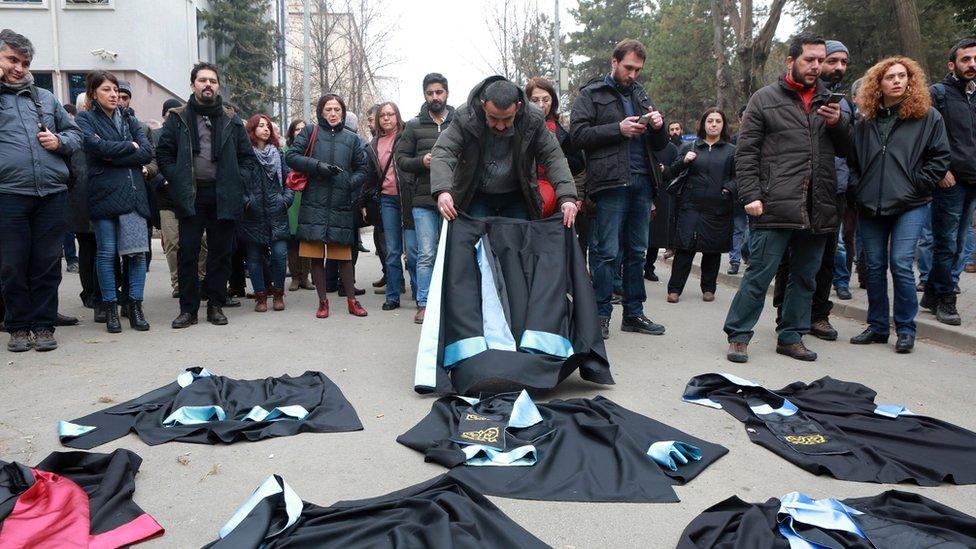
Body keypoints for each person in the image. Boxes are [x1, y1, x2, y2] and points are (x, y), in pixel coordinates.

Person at [722, 32, 849, 363]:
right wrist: (750, 194)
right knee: (760, 274)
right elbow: (745, 153)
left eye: (821, 60)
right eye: (810, 59)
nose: (817, 66)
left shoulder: (832, 101)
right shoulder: (764, 99)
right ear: (791, 61)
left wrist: (838, 125)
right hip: (773, 203)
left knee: (805, 277)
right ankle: (738, 334)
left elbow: (851, 150)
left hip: (818, 205)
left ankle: (791, 336)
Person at [848, 56, 950, 353]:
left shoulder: (927, 116)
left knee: (901, 264)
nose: (896, 80)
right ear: (877, 83)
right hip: (870, 204)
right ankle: (878, 326)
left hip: (910, 202)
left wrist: (918, 184)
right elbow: (853, 161)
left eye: (902, 76)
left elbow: (940, 157)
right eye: (889, 76)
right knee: (875, 266)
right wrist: (858, 187)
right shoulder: (864, 119)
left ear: (910, 80)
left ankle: (906, 329)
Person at [572, 38, 669, 339]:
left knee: (637, 253)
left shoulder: (640, 93)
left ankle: (634, 314)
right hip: (610, 183)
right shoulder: (591, 93)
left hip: (642, 181)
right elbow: (577, 136)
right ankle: (600, 316)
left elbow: (661, 145)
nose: (633, 75)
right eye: (628, 68)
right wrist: (618, 129)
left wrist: (659, 125)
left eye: (638, 69)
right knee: (606, 253)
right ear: (614, 62)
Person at [156, 62, 257, 328]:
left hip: (224, 195)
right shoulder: (178, 117)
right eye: (202, 80)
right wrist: (176, 177)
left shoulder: (231, 119)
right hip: (191, 194)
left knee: (220, 254)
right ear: (193, 85)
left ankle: (215, 305)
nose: (208, 85)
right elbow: (163, 153)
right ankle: (188, 310)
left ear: (218, 86)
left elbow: (247, 157)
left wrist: (238, 180)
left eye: (212, 80)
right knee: (187, 252)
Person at [0, 29, 82, 352]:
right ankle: (18, 326)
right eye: (12, 60)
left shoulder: (45, 98)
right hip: (8, 193)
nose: (19, 68)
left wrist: (59, 141)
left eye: (25, 62)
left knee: (48, 263)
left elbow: (76, 135)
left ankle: (44, 325)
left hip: (50, 193)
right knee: (12, 264)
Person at [772, 39, 854, 341]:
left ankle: (818, 315)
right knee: (788, 258)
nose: (836, 68)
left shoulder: (843, 103)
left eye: (843, 62)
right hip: (796, 190)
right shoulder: (795, 97)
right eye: (831, 61)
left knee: (827, 258)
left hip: (834, 192)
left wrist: (838, 124)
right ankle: (787, 313)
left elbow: (850, 148)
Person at [432, 76, 578, 225]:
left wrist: (567, 197)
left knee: (520, 244)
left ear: (518, 107)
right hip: (477, 195)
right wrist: (443, 190)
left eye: (508, 119)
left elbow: (553, 157)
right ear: (483, 106)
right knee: (477, 243)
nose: (500, 126)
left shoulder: (533, 118)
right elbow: (443, 152)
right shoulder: (465, 116)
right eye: (494, 118)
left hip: (517, 195)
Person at [76, 70, 154, 333]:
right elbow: (94, 148)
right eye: (106, 90)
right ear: (93, 93)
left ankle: (135, 306)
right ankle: (109, 307)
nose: (113, 95)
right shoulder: (85, 119)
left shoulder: (130, 120)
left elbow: (146, 152)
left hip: (132, 194)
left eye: (115, 91)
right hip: (103, 194)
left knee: (136, 255)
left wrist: (117, 152)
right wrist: (128, 148)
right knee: (107, 253)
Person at [285, 93, 369, 318]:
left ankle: (352, 300)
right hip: (314, 202)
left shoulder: (352, 139)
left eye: (337, 110)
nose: (333, 113)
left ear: (342, 112)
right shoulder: (310, 132)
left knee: (343, 256)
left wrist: (348, 184)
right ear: (321, 112)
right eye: (328, 109)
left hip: (341, 203)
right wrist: (317, 166)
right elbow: (291, 156)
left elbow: (363, 169)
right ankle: (323, 302)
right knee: (315, 255)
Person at [921, 38, 976, 325]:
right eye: (966, 59)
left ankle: (931, 294)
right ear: (952, 64)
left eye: (975, 59)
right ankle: (945, 300)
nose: (972, 64)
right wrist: (940, 171)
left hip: (972, 180)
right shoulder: (939, 94)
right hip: (949, 181)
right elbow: (927, 137)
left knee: (960, 241)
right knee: (947, 243)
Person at [396, 72, 455, 324]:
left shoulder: (458, 122)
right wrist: (422, 161)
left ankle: (451, 305)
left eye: (439, 92)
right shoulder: (414, 125)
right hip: (423, 200)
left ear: (447, 93)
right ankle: (424, 303)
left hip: (453, 199)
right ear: (424, 95)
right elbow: (400, 160)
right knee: (426, 254)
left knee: (452, 253)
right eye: (430, 93)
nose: (435, 97)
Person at [664, 108, 736, 303]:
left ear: (723, 125)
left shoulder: (731, 151)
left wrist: (727, 190)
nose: (713, 124)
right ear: (703, 124)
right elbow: (671, 172)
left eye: (718, 121)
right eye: (710, 121)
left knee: (712, 249)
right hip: (690, 205)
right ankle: (675, 289)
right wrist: (685, 161)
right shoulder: (690, 147)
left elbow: (736, 177)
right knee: (685, 248)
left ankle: (708, 288)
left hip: (718, 207)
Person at [362, 101, 415, 311]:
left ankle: (422, 296)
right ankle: (392, 296)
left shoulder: (408, 136)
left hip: (409, 198)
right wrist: (363, 201)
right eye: (383, 115)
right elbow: (369, 176)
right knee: (392, 250)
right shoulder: (373, 145)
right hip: (387, 200)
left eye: (390, 114)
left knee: (413, 250)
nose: (386, 118)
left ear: (397, 116)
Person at [241, 114, 293, 312]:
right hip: (253, 215)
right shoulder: (245, 155)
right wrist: (247, 202)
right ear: (252, 130)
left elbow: (290, 180)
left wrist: (286, 200)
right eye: (261, 126)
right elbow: (238, 183)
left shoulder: (278, 154)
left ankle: (278, 294)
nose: (266, 129)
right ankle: (260, 297)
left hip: (277, 212)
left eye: (268, 126)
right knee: (253, 258)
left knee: (280, 255)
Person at [525, 77, 586, 217]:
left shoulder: (562, 134)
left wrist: (576, 197)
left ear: (552, 101)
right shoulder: (518, 130)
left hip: (558, 198)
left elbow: (579, 168)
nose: (541, 105)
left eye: (546, 100)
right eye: (535, 100)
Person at [284, 119, 313, 292]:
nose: (300, 132)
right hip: (291, 198)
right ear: (292, 132)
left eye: (303, 129)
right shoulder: (285, 151)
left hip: (308, 197)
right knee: (292, 240)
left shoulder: (313, 151)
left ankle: (306, 277)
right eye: (297, 129)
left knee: (307, 240)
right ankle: (295, 277)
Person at [728, 105, 749, 274]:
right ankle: (734, 261)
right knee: (738, 228)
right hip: (737, 191)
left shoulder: (763, 136)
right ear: (740, 119)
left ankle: (747, 254)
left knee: (751, 229)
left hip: (756, 191)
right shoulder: (733, 140)